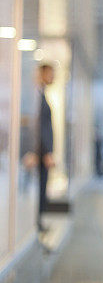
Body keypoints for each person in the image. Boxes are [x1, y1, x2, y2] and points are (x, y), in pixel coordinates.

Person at [22, 63, 55, 232]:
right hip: (40, 151)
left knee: (40, 188)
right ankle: (35, 223)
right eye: (50, 73)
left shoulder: (41, 94)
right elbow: (38, 127)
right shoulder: (34, 96)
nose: (53, 77)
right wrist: (44, 151)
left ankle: (37, 222)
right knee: (37, 187)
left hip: (41, 150)